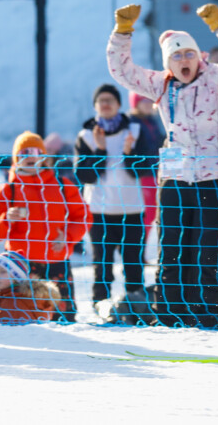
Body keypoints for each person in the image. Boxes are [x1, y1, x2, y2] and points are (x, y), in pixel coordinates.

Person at [107, 2, 218, 328]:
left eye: (189, 54)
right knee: (171, 247)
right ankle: (170, 312)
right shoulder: (161, 84)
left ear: (199, 56)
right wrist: (122, 32)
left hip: (216, 175)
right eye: (177, 56)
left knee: (207, 249)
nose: (184, 60)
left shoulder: (217, 78)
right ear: (168, 63)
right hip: (175, 176)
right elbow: (122, 70)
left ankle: (209, 313)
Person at [0, 131, 92, 321]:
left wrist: (68, 236)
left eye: (36, 152)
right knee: (26, 312)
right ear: (16, 159)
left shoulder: (63, 185)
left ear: (44, 158)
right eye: (24, 153)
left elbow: (84, 216)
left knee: (63, 315)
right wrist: (6, 219)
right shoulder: (9, 190)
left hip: (57, 262)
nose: (30, 157)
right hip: (21, 267)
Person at [74, 83, 148, 309]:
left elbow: (144, 170)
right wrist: (100, 149)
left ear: (118, 104)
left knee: (134, 262)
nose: (105, 104)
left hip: (131, 209)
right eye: (101, 101)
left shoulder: (134, 131)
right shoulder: (86, 135)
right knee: (102, 263)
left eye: (110, 100)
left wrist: (129, 153)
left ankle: (136, 305)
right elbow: (85, 175)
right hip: (99, 210)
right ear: (95, 106)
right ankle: (101, 305)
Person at [127, 91, 166, 239]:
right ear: (136, 103)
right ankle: (139, 249)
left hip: (156, 170)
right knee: (148, 212)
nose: (149, 104)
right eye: (144, 101)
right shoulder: (133, 123)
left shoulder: (152, 121)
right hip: (143, 173)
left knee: (154, 211)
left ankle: (142, 249)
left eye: (150, 101)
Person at [0, 250, 62, 324]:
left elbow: (1, 330)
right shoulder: (8, 297)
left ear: (17, 276)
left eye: (2, 271)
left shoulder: (12, 302)